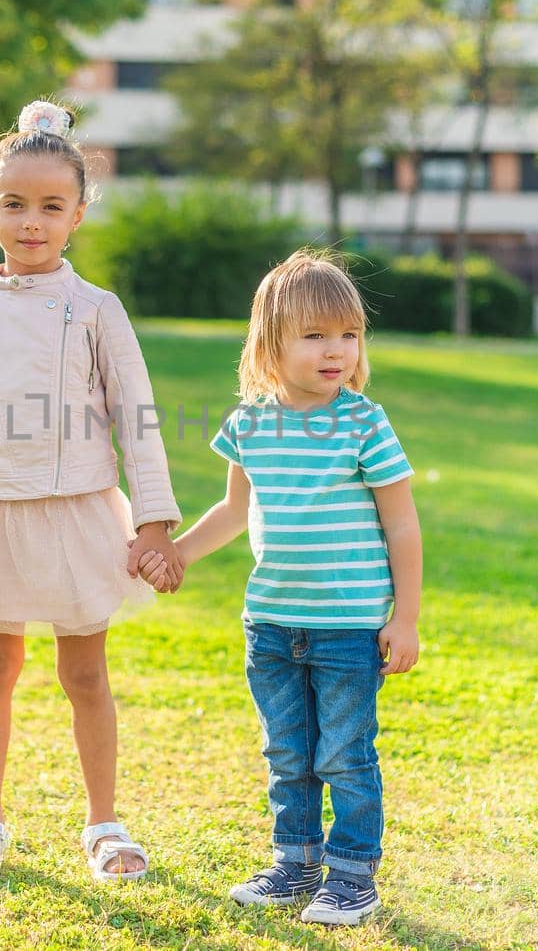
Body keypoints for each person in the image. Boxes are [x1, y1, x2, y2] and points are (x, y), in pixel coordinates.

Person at [0, 100, 186, 887]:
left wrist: (155, 523)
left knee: (85, 674)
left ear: (78, 214)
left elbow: (138, 420)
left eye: (51, 207)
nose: (32, 223)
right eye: (16, 205)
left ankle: (103, 821)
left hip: (82, 517)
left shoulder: (99, 310)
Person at [139, 249, 422, 925]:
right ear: (272, 342)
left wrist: (404, 618)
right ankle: (295, 866)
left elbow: (403, 526)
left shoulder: (363, 423)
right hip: (270, 624)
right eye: (316, 336)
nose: (337, 351)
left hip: (349, 625)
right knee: (288, 752)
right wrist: (177, 552)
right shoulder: (250, 425)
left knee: (345, 755)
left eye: (349, 335)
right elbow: (235, 513)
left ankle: (352, 877)